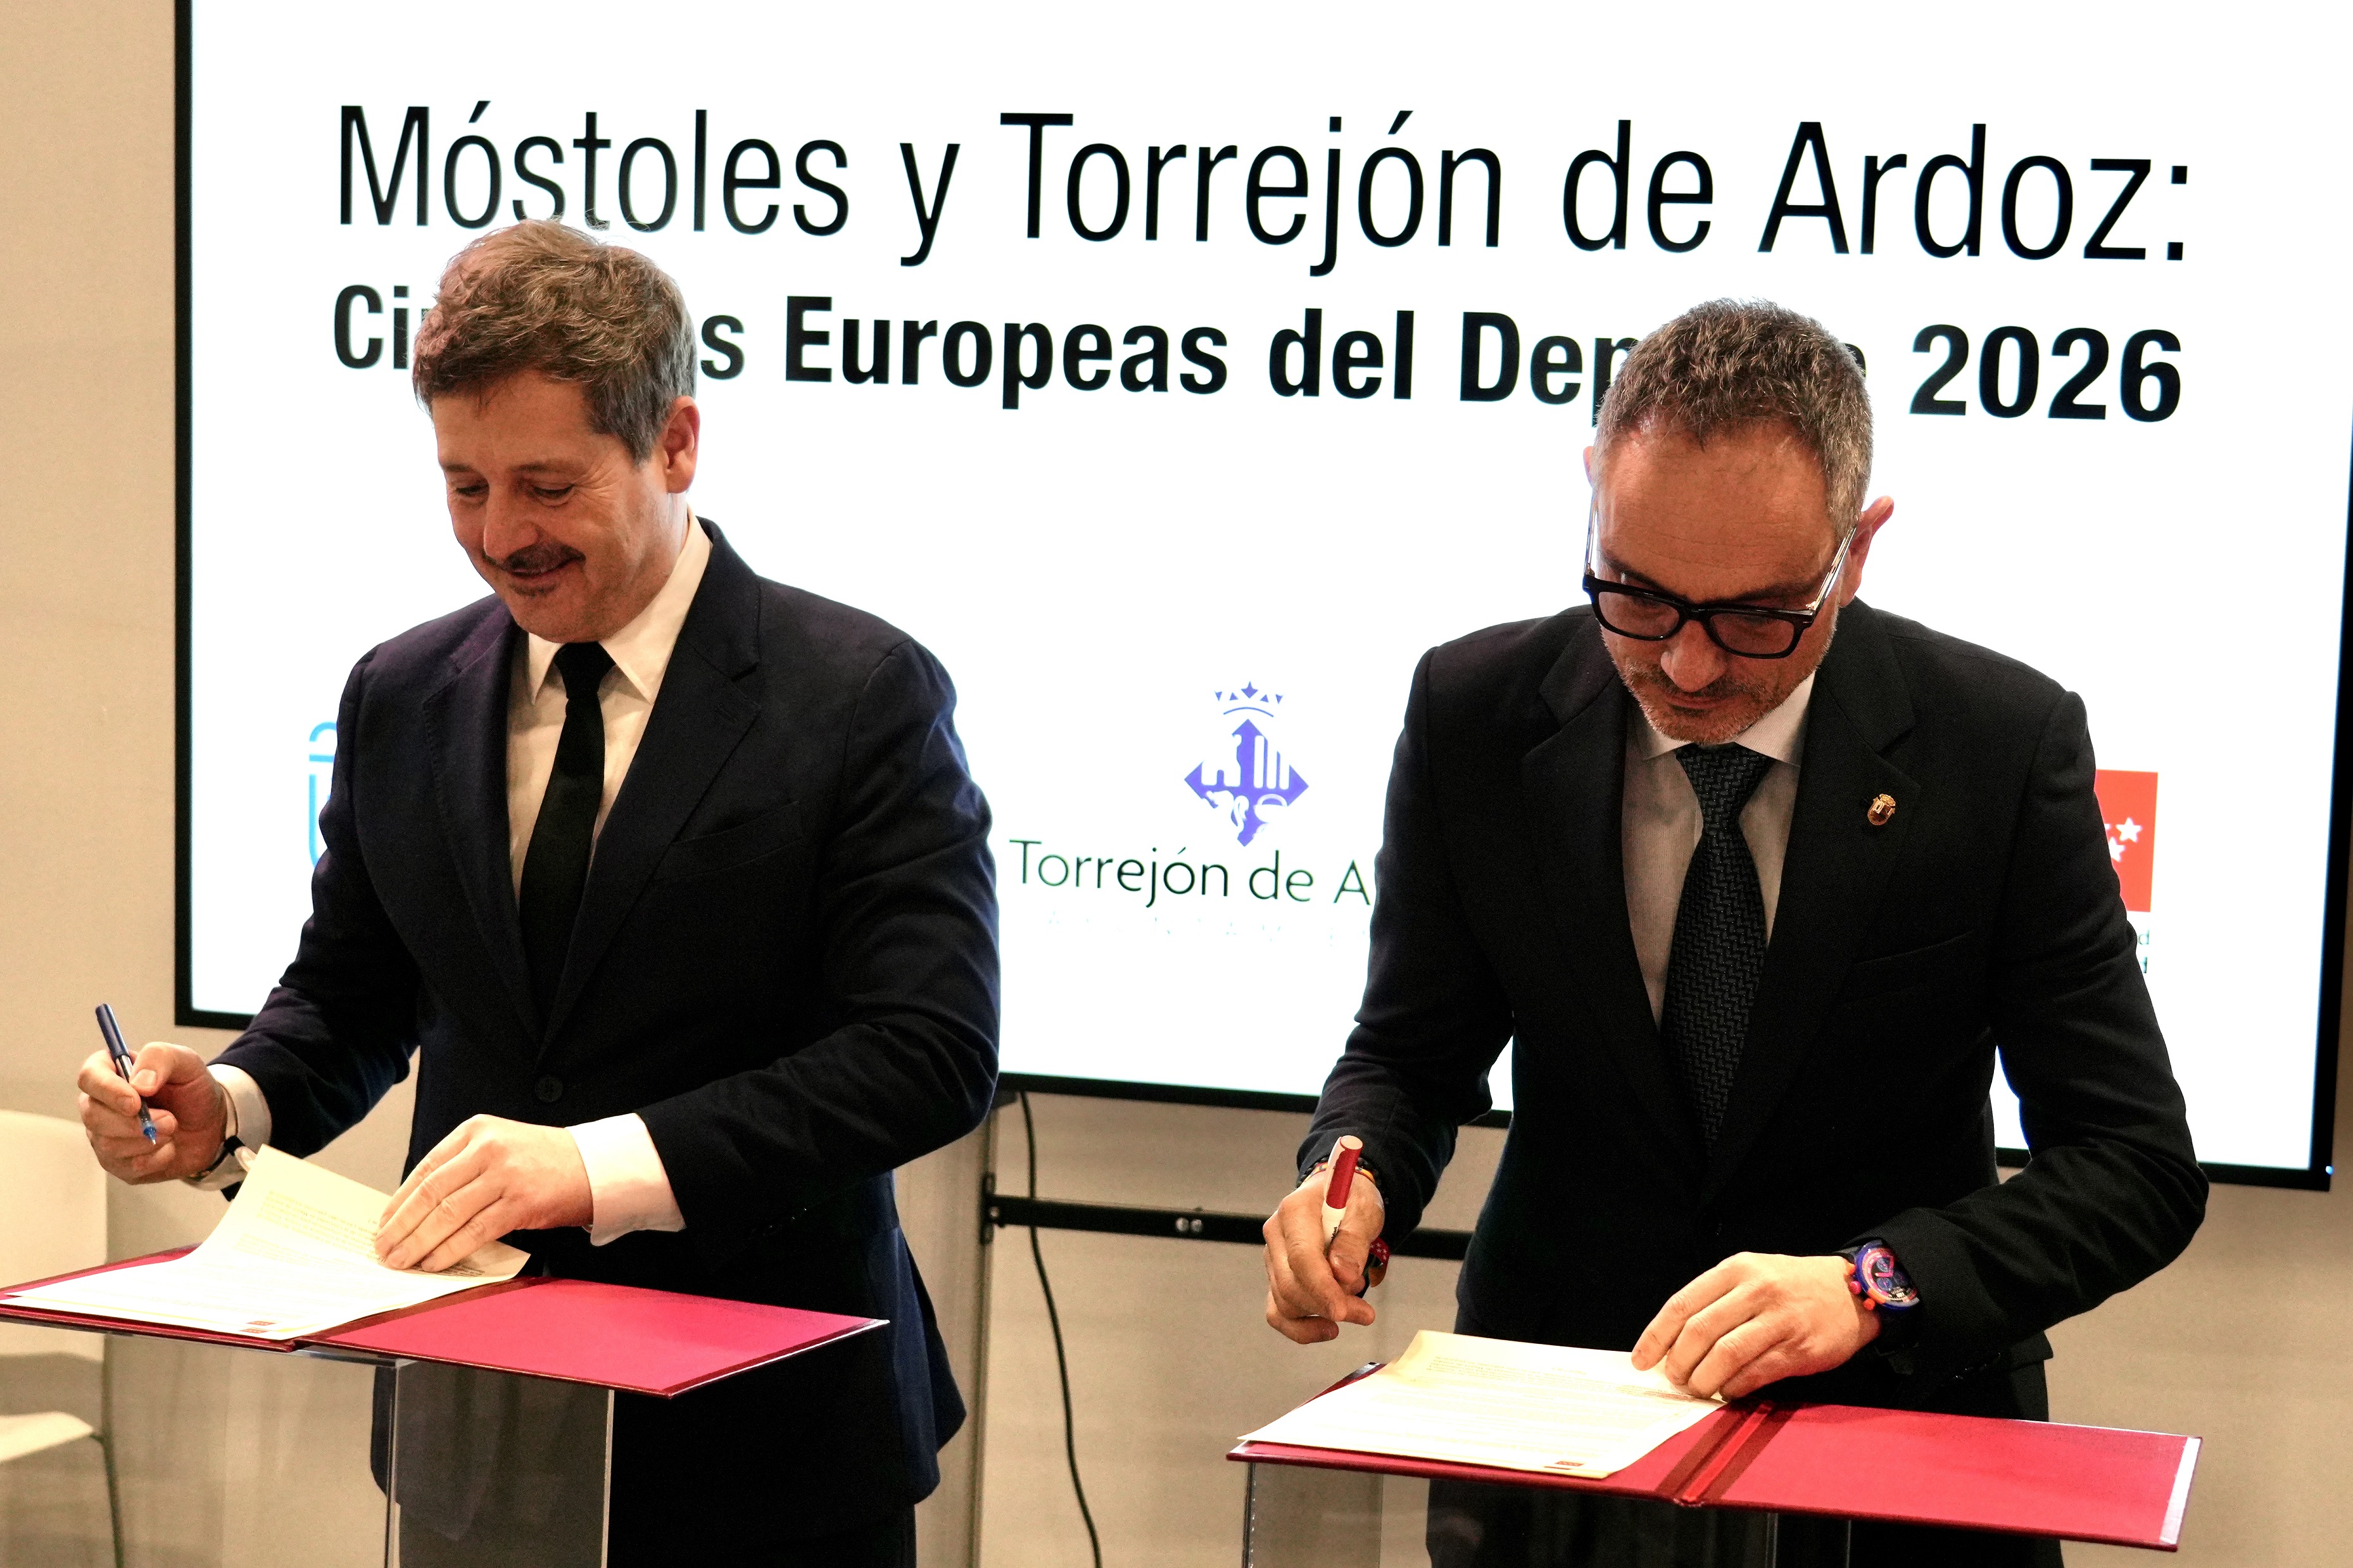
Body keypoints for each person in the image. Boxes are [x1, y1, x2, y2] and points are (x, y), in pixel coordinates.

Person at [76, 220, 999, 1567]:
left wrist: (592, 1166)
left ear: (674, 444)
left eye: (547, 486)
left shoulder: (859, 694)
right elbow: (353, 992)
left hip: (770, 1444)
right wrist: (228, 1100)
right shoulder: (402, 693)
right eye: (464, 486)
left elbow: (927, 1053)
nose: (502, 537)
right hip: (476, 1432)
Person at [1260, 300, 2205, 1567]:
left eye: (1758, 617)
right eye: (1637, 598)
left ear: (1854, 552)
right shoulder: (1475, 713)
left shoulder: (1995, 744)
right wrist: (1354, 1175)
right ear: (1593, 496)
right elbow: (1411, 1051)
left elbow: (2135, 1165)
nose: (1690, 668)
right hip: (1559, 1448)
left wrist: (1872, 1284)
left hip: (1895, 1461)